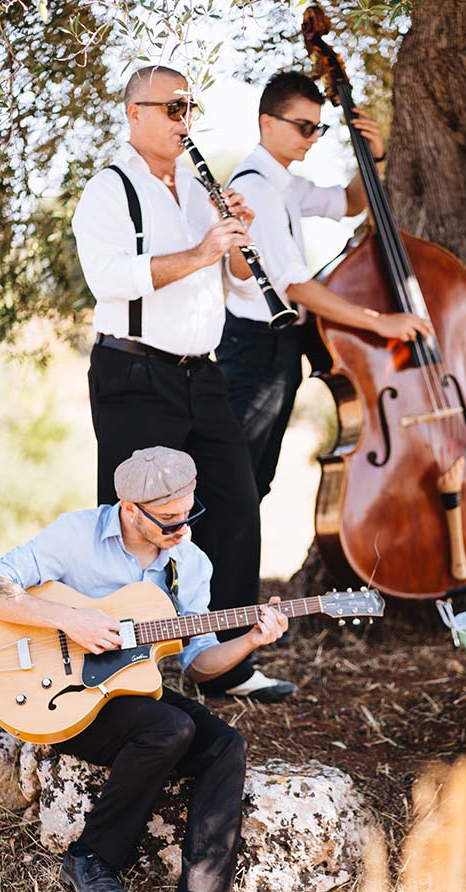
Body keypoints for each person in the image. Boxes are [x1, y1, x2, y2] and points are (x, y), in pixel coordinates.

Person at [0, 446, 288, 892]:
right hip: (59, 697)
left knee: (225, 743)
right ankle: (91, 856)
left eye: (189, 514)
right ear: (128, 508)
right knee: (170, 728)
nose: (180, 529)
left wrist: (251, 640)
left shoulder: (190, 562)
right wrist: (68, 619)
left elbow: (199, 664)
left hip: (126, 695)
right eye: (166, 521)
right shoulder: (76, 534)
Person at [72, 64, 295, 702]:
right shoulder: (110, 190)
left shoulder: (201, 189)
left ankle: (224, 665)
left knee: (235, 504)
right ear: (134, 112)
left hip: (204, 372)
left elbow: (238, 285)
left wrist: (232, 246)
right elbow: (110, 279)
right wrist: (201, 251)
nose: (182, 120)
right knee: (130, 521)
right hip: (136, 371)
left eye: (188, 107)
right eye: (170, 108)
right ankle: (110, 667)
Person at [217, 70, 432, 501]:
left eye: (318, 127)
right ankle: (218, 570)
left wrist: (370, 157)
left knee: (253, 481)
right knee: (238, 483)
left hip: (275, 348)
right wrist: (380, 322)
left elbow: (351, 203)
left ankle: (231, 570)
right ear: (267, 123)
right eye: (304, 126)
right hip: (254, 350)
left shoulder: (284, 183)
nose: (313, 137)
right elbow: (294, 286)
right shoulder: (256, 190)